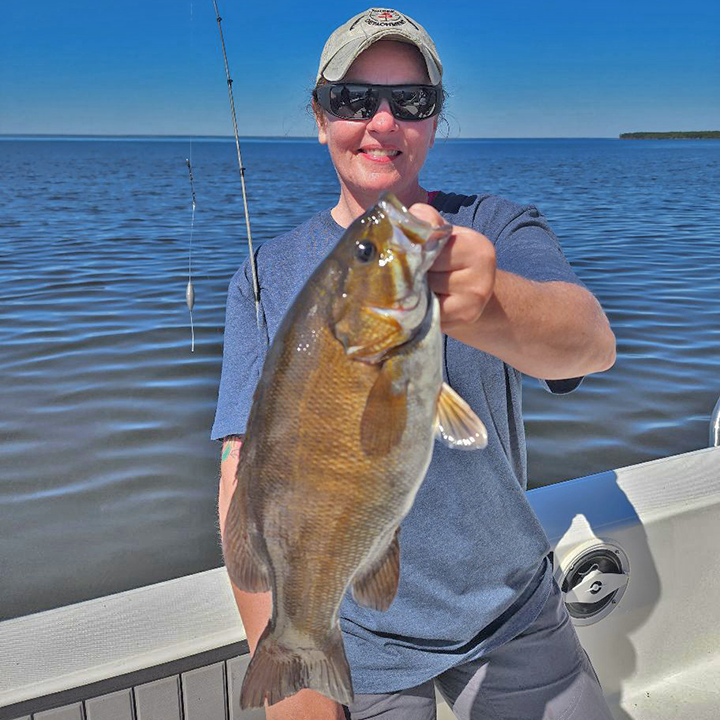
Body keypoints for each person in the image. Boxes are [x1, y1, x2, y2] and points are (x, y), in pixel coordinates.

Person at [213, 7, 616, 720]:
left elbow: (589, 344)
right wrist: (292, 670)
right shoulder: (264, 274)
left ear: (435, 120)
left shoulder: (494, 227)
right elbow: (242, 475)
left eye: (411, 101)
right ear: (320, 116)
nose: (382, 122)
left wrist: (488, 303)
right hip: (357, 634)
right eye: (353, 99)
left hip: (511, 609)